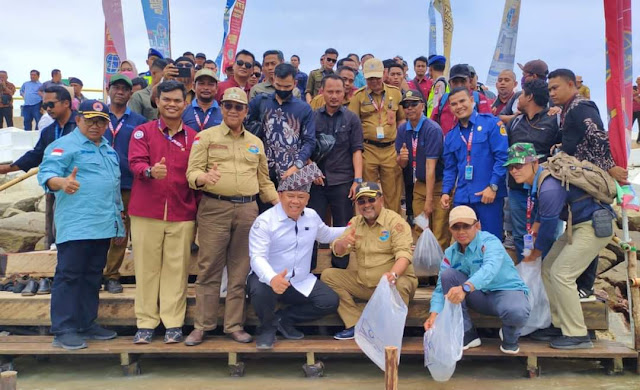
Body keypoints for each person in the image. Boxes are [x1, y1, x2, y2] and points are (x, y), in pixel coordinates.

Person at [184, 87, 279, 346]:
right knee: (209, 269)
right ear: (221, 108)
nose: (233, 111)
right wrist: (203, 178)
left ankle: (234, 325)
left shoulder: (255, 143)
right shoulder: (205, 137)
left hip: (248, 211)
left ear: (246, 111)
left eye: (239, 107)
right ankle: (202, 326)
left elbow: (264, 181)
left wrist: (280, 204)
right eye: (228, 106)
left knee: (239, 271)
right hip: (215, 208)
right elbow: (191, 174)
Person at [507, 143, 613, 349]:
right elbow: (541, 215)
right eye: (510, 167)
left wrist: (535, 252)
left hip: (593, 226)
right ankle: (559, 324)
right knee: (548, 268)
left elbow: (548, 226)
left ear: (534, 162)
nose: (514, 170)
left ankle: (577, 334)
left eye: (519, 165)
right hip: (578, 225)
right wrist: (535, 230)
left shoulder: (548, 186)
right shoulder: (540, 181)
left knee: (561, 273)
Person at [37, 100, 124, 350]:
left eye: (101, 121)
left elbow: (114, 187)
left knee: (92, 275)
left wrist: (119, 219)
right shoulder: (63, 145)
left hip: (103, 223)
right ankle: (64, 328)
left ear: (107, 124)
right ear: (78, 120)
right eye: (90, 120)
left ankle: (87, 323)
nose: (95, 125)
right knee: (70, 276)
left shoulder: (108, 149)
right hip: (77, 224)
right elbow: (46, 174)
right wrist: (61, 182)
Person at [128, 81, 199, 344]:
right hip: (147, 211)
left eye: (177, 100)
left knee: (176, 270)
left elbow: (197, 174)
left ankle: (173, 323)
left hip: (182, 212)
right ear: (156, 101)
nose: (171, 104)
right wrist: (149, 171)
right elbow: (135, 162)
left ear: (185, 103)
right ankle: (146, 323)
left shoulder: (193, 138)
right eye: (166, 99)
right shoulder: (142, 132)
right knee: (146, 270)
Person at [548, 68, 627, 300]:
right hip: (581, 177)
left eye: (556, 87)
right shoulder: (567, 109)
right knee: (582, 226)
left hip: (592, 179)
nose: (552, 92)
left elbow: (596, 134)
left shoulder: (581, 106)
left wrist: (610, 165)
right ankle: (584, 284)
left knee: (590, 225)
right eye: (549, 89)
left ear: (572, 85)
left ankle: (586, 285)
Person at [247, 163, 342, 349]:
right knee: (259, 288)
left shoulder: (312, 216)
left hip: (299, 281)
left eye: (301, 197)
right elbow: (257, 257)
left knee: (329, 302)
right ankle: (267, 329)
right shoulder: (265, 222)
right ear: (280, 196)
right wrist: (272, 278)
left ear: (307, 199)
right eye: (290, 196)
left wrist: (352, 230)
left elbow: (326, 234)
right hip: (270, 280)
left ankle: (283, 319)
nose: (295, 201)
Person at [424, 205, 530, 354]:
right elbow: (441, 287)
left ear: (477, 226)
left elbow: (490, 268)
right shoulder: (450, 253)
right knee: (448, 275)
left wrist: (465, 288)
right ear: (450, 230)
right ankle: (467, 334)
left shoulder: (490, 242)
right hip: (478, 297)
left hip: (505, 293)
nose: (461, 232)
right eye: (456, 227)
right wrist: (434, 314)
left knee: (517, 312)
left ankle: (510, 337)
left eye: (466, 226)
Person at [322, 182, 417, 340]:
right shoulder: (355, 223)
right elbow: (338, 251)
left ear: (381, 200)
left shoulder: (396, 222)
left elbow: (404, 255)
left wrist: (392, 275)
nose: (367, 205)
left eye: (371, 200)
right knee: (328, 275)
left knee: (399, 284)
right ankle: (356, 324)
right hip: (365, 284)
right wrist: (342, 243)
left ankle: (388, 334)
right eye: (361, 201)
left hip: (393, 284)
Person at [309, 74, 364, 270]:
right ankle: (309, 271)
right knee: (311, 228)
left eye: (338, 92)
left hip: (343, 182)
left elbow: (357, 150)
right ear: (322, 92)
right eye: (330, 91)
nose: (334, 96)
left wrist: (357, 180)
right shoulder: (312, 117)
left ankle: (339, 271)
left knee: (344, 228)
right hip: (317, 182)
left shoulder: (352, 118)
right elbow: (305, 148)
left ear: (345, 93)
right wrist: (311, 169)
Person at [441, 87, 508, 240]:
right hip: (463, 197)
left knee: (491, 241)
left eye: (462, 101)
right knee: (463, 241)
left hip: (488, 195)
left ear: (472, 101)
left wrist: (493, 186)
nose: (459, 106)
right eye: (454, 104)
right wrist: (446, 191)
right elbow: (450, 169)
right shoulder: (451, 136)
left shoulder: (491, 124)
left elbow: (502, 158)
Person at [506, 79, 560, 262]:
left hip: (544, 189)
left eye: (521, 94)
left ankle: (545, 274)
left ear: (529, 97)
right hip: (516, 188)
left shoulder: (555, 119)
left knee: (547, 232)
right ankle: (526, 273)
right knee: (521, 233)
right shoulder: (515, 122)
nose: (518, 98)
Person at [103, 74, 148, 294]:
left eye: (125, 89)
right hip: (98, 184)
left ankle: (112, 275)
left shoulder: (138, 121)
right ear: (108, 90)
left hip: (128, 184)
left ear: (131, 94)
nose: (120, 92)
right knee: (97, 229)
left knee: (121, 232)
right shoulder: (98, 115)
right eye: (116, 87)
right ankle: (93, 274)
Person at [348, 58, 405, 214]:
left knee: (393, 192)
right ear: (364, 77)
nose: (374, 81)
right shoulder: (358, 97)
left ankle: (394, 226)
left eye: (377, 77)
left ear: (384, 74)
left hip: (390, 149)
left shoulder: (395, 93)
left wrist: (401, 144)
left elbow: (402, 119)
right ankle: (370, 224)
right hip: (369, 150)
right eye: (370, 78)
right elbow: (353, 124)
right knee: (368, 192)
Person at [246, 63, 316, 188]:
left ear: (295, 83)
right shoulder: (261, 102)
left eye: (287, 86)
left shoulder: (304, 108)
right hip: (264, 171)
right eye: (279, 85)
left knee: (294, 205)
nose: (283, 90)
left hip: (294, 170)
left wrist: (298, 165)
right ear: (273, 81)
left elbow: (309, 141)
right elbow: (246, 128)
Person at [396, 90, 450, 249]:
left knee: (439, 230)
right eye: (406, 105)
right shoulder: (402, 129)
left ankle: (441, 271)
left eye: (413, 104)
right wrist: (402, 159)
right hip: (419, 184)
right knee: (420, 226)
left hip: (438, 185)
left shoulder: (432, 129)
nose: (409, 108)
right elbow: (401, 164)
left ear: (422, 106)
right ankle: (424, 271)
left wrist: (429, 201)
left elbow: (430, 167)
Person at [0, 86, 75, 175]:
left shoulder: (85, 126)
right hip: (59, 182)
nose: (48, 109)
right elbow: (36, 156)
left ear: (66, 103)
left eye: (51, 104)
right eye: (45, 105)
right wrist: (6, 168)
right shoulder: (48, 131)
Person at [431, 64, 493, 135]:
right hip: (447, 144)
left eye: (463, 81)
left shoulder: (480, 99)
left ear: (470, 82)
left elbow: (488, 126)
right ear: (449, 84)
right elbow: (432, 126)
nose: (459, 86)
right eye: (455, 82)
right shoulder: (443, 100)